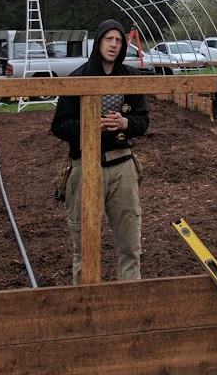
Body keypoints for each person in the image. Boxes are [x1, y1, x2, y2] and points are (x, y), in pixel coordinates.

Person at [51, 19, 149, 284]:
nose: (114, 45)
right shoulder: (78, 78)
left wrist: (125, 123)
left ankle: (129, 299)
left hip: (122, 165)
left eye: (118, 41)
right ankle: (86, 305)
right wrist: (89, 125)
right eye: (109, 39)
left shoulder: (131, 78)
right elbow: (59, 125)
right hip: (85, 166)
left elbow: (143, 120)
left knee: (130, 243)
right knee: (85, 245)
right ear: (99, 42)